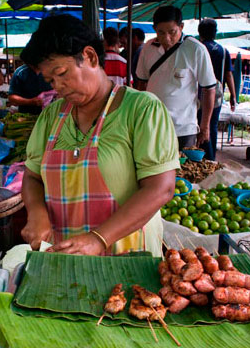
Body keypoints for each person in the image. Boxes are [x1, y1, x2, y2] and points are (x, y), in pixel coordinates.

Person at [19, 14, 180, 257]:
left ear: (91, 57)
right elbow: (32, 177)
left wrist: (98, 238)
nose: (57, 87)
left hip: (129, 254)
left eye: (62, 73)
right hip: (66, 256)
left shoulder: (142, 109)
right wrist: (36, 212)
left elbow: (161, 188)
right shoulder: (51, 115)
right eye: (51, 80)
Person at [135, 6, 216, 151]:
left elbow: (209, 89)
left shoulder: (196, 49)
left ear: (181, 27)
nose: (166, 38)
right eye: (161, 32)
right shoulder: (148, 48)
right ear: (154, 29)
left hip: (183, 129)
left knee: (184, 171)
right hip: (152, 127)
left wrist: (205, 126)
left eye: (172, 32)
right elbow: (141, 84)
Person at [196, 18, 237, 161]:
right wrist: (233, 95)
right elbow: (228, 74)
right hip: (217, 94)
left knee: (198, 125)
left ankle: (200, 157)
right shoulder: (223, 51)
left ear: (199, 32)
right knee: (211, 126)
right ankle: (211, 158)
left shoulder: (197, 49)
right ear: (215, 33)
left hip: (197, 93)